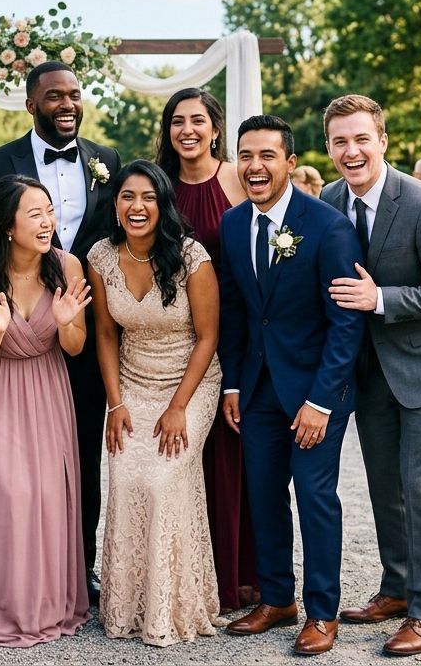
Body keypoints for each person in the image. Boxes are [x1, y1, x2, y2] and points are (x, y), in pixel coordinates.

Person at [0, 60, 122, 603]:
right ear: (31, 104)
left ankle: (78, 565)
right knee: (7, 468)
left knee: (78, 457)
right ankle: (8, 574)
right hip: (9, 330)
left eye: (74, 94)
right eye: (54, 96)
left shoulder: (107, 160)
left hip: (76, 324)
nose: (67, 104)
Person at [320, 94, 421, 657]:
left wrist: (379, 298)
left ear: (383, 141)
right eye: (340, 141)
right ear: (329, 147)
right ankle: (394, 587)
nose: (351, 150)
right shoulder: (330, 200)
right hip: (370, 372)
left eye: (361, 138)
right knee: (385, 489)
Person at [216, 115, 365, 656]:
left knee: (314, 495)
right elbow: (235, 311)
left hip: (315, 392)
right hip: (255, 389)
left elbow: (347, 324)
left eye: (266, 156)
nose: (255, 167)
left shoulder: (327, 226)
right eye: (246, 156)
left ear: (290, 163)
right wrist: (233, 385)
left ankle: (322, 611)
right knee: (263, 493)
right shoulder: (233, 226)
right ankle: (278, 600)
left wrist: (321, 401)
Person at [0, 175, 93, 647]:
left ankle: (45, 602)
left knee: (45, 495)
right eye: (34, 213)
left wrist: (67, 324)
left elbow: (75, 346)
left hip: (47, 388)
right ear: (8, 225)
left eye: (48, 211)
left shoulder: (67, 266)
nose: (47, 221)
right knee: (5, 495)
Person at [87, 160, 222, 646]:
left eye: (148, 197)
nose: (137, 206)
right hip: (132, 383)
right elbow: (105, 332)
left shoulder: (191, 257)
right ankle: (126, 608)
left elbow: (208, 338)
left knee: (164, 479)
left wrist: (180, 407)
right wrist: (115, 404)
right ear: (116, 204)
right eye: (127, 196)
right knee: (124, 477)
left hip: (191, 381)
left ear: (162, 203)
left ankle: (176, 606)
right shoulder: (101, 256)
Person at [153, 87, 258, 613]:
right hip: (170, 344)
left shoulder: (238, 178)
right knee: (177, 458)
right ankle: (181, 573)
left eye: (197, 120)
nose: (187, 130)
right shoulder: (158, 186)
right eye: (177, 121)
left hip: (234, 332)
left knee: (233, 454)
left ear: (216, 128)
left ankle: (238, 575)